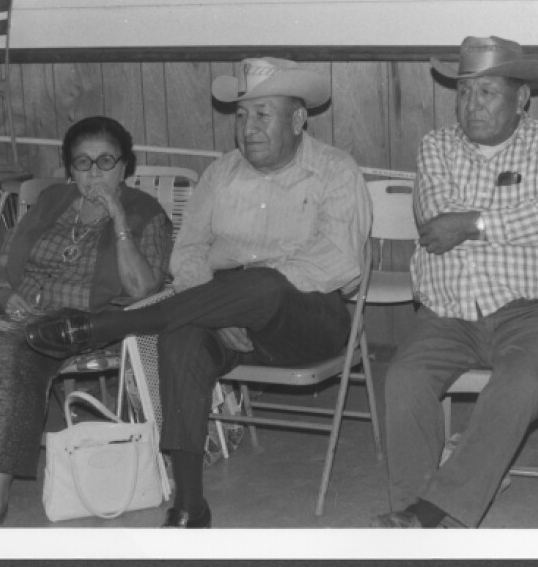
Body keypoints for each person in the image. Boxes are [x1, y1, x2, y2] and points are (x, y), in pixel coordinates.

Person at [26, 58, 372, 528]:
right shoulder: (221, 173)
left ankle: (110, 325)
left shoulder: (335, 170)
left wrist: (243, 297)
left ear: (297, 119)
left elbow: (338, 260)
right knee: (182, 336)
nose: (248, 128)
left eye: (262, 115)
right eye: (241, 115)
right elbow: (187, 254)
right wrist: (219, 308)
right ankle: (190, 502)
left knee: (264, 284)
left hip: (308, 317)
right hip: (221, 308)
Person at [372, 36, 538, 528]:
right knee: (403, 378)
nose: (472, 105)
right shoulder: (436, 145)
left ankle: (431, 511)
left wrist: (472, 223)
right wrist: (524, 223)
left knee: (519, 383)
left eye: (487, 92)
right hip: (449, 312)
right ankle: (412, 505)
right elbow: (435, 222)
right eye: (464, 92)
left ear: (521, 98)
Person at [0, 116, 173, 527]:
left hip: (86, 322)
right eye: (83, 162)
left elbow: (142, 290)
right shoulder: (52, 200)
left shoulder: (146, 213)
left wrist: (118, 219)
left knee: (11, 348)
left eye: (105, 161)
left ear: (124, 166)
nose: (94, 172)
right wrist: (5, 293)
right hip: (13, 306)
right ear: (70, 169)